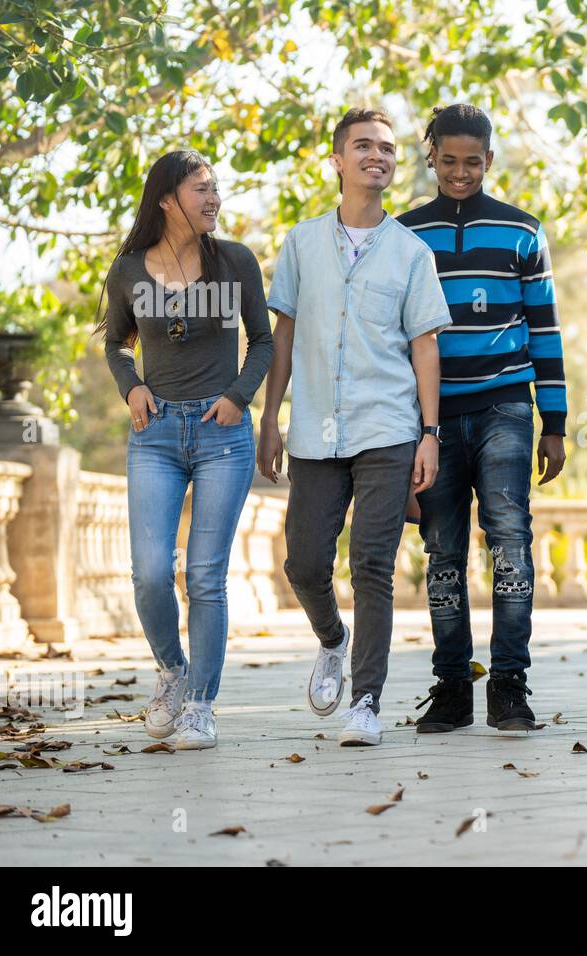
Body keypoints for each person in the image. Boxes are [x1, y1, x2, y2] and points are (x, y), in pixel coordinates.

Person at [258, 107, 451, 746]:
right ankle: (331, 640)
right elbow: (281, 336)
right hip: (315, 426)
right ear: (338, 161)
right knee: (305, 563)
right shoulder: (301, 243)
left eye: (388, 149)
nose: (378, 156)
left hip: (389, 426)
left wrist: (430, 432)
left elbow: (426, 346)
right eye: (363, 146)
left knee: (373, 563)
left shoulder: (411, 253)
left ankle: (365, 702)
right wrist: (271, 417)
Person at [396, 104, 567, 734]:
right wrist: (409, 427)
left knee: (510, 543)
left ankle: (509, 683)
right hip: (433, 419)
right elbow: (395, 337)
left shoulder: (523, 232)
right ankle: (451, 685)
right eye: (449, 161)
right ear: (431, 158)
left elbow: (545, 330)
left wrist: (555, 421)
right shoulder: (405, 234)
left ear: (490, 160)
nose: (461, 172)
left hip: (504, 408)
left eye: (473, 161)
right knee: (441, 549)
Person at [100, 149, 273, 750]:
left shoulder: (235, 263)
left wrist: (238, 396)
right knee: (150, 573)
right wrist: (132, 387)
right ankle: (173, 673)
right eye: (202, 188)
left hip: (223, 435)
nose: (214, 198)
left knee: (204, 574)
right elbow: (116, 346)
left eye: (216, 188)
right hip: (156, 436)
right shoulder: (128, 271)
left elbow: (265, 344)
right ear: (167, 198)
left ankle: (201, 704)